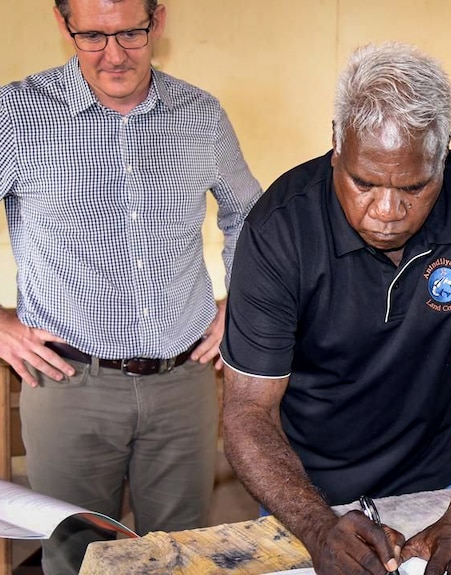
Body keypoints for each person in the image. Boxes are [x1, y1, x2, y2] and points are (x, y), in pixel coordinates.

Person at [220, 43, 451, 575]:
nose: (387, 212)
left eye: (414, 186)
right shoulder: (279, 227)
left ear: (444, 155)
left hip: (432, 479)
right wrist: (319, 528)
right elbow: (247, 409)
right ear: (336, 143)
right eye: (364, 183)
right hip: (305, 487)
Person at [0, 0, 262, 572]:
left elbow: (248, 211)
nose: (114, 55)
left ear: (158, 21)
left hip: (183, 381)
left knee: (183, 554)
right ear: (62, 23)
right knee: (77, 558)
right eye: (92, 36)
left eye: (131, 34)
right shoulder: (17, 113)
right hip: (68, 381)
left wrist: (237, 304)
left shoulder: (200, 115)